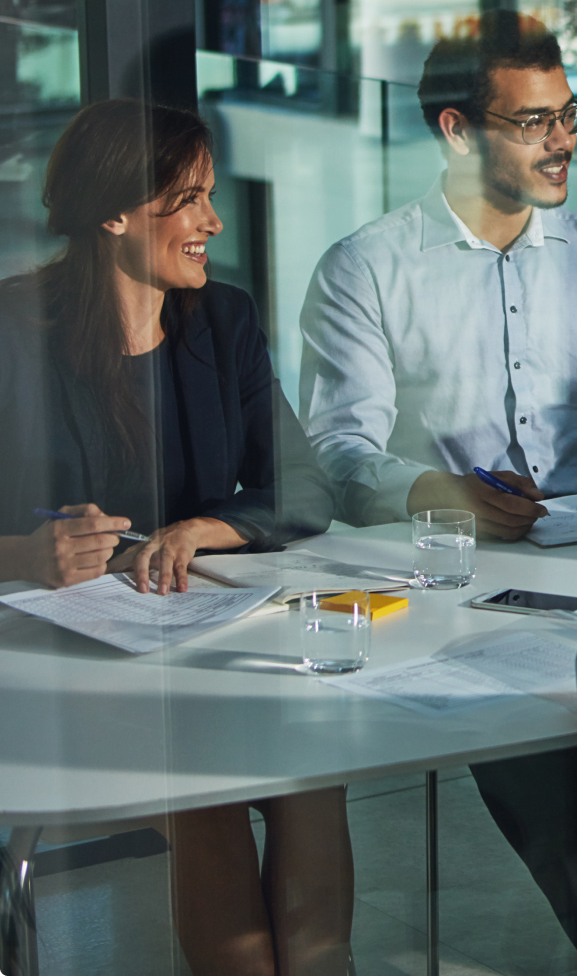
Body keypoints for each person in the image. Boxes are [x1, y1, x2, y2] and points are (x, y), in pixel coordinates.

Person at [299, 11, 577, 974]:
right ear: (456, 131)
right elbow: (338, 450)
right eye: (533, 121)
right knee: (496, 713)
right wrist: (436, 490)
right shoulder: (366, 267)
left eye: (568, 113)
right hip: (451, 572)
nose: (562, 139)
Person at [0, 99, 348, 975]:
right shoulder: (13, 333)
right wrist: (24, 555)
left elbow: (303, 486)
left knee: (313, 774)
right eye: (189, 199)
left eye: (209, 196)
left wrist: (204, 527)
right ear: (113, 214)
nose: (213, 221)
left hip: (199, 636)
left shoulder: (222, 319)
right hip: (63, 658)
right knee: (208, 790)